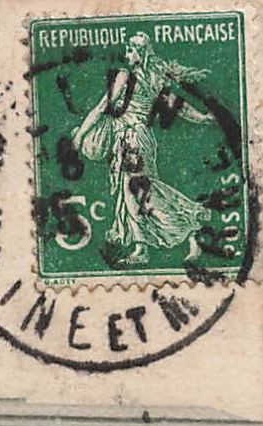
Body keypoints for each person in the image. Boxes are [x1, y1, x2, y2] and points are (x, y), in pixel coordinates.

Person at [72, 33, 215, 264]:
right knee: (141, 193)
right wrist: (203, 118)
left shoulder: (124, 76)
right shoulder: (154, 80)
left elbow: (102, 107)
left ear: (139, 53)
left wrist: (79, 136)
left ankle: (182, 227)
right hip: (141, 139)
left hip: (131, 141)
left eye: (130, 50)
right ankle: (162, 240)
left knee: (134, 192)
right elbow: (179, 106)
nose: (126, 55)